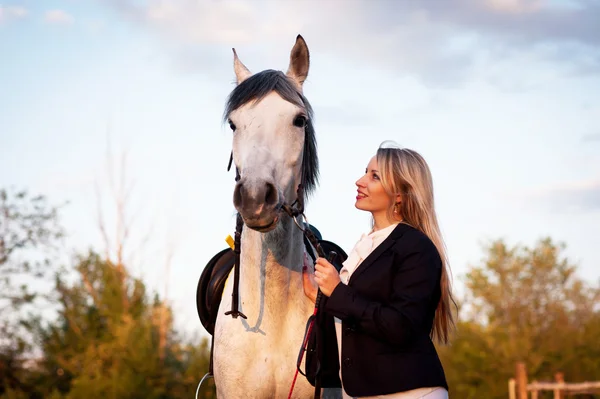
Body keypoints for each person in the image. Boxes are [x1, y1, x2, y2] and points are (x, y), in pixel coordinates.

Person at [302, 141, 455, 399]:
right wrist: (319, 296)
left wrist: (337, 292)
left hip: (409, 393)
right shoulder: (368, 244)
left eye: (374, 176)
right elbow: (358, 318)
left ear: (399, 194)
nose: (359, 181)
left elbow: (400, 325)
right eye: (365, 172)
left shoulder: (417, 248)